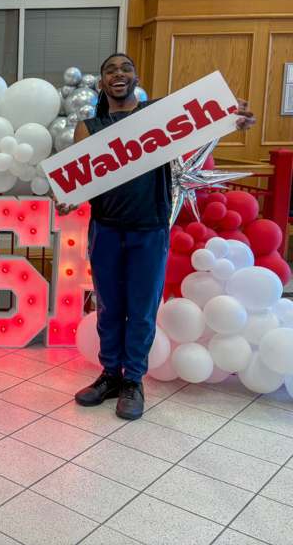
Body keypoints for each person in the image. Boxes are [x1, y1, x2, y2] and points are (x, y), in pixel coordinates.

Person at [59, 53, 255, 420]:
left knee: (143, 310)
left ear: (135, 77)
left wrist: (232, 117)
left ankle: (133, 380)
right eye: (110, 71)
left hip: (149, 227)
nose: (119, 74)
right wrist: (67, 199)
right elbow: (78, 179)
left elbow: (207, 119)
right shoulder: (89, 127)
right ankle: (110, 376)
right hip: (105, 227)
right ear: (102, 84)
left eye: (126, 68)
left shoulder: (159, 118)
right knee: (109, 308)